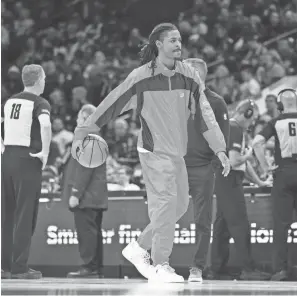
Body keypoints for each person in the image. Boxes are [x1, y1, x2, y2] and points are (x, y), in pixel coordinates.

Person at [72, 23, 228, 283]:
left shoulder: (189, 75)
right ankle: (160, 264)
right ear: (159, 44)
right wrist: (84, 130)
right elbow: (113, 102)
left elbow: (205, 115)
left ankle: (138, 247)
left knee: (179, 205)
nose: (179, 44)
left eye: (180, 40)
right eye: (173, 40)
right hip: (153, 150)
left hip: (177, 153)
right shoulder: (141, 76)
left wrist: (220, 148)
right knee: (166, 203)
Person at [207, 99, 272, 281]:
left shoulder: (231, 128)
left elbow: (241, 165)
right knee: (240, 224)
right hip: (229, 179)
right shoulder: (234, 129)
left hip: (225, 178)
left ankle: (216, 269)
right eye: (253, 119)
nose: (253, 123)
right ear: (248, 114)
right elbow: (236, 160)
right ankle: (247, 268)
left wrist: (258, 181)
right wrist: (249, 154)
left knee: (222, 225)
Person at [1, 64, 51, 279]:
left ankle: (4, 267)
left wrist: (2, 146)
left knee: (7, 213)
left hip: (7, 158)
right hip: (27, 159)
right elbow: (46, 125)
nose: (45, 81)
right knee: (25, 214)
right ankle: (20, 267)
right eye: (45, 78)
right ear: (39, 79)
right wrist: (45, 153)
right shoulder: (39, 102)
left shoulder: (10, 100)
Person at [183, 58, 230, 282]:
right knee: (162, 217)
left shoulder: (216, 102)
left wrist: (212, 166)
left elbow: (223, 138)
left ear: (198, 74)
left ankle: (197, 268)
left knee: (202, 220)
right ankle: (159, 265)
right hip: (177, 167)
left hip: (202, 168)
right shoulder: (177, 99)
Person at [252, 88, 297, 281]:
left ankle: (280, 270)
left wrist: (266, 167)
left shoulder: (276, 122)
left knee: (281, 225)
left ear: (279, 105)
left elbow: (256, 142)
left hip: (284, 173)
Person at [64, 104, 108, 278]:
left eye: (79, 118)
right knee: (94, 232)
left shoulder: (88, 138)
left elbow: (85, 168)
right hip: (95, 195)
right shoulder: (96, 137)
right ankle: (96, 267)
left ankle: (88, 267)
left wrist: (76, 193)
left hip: (87, 196)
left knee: (87, 232)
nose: (76, 121)